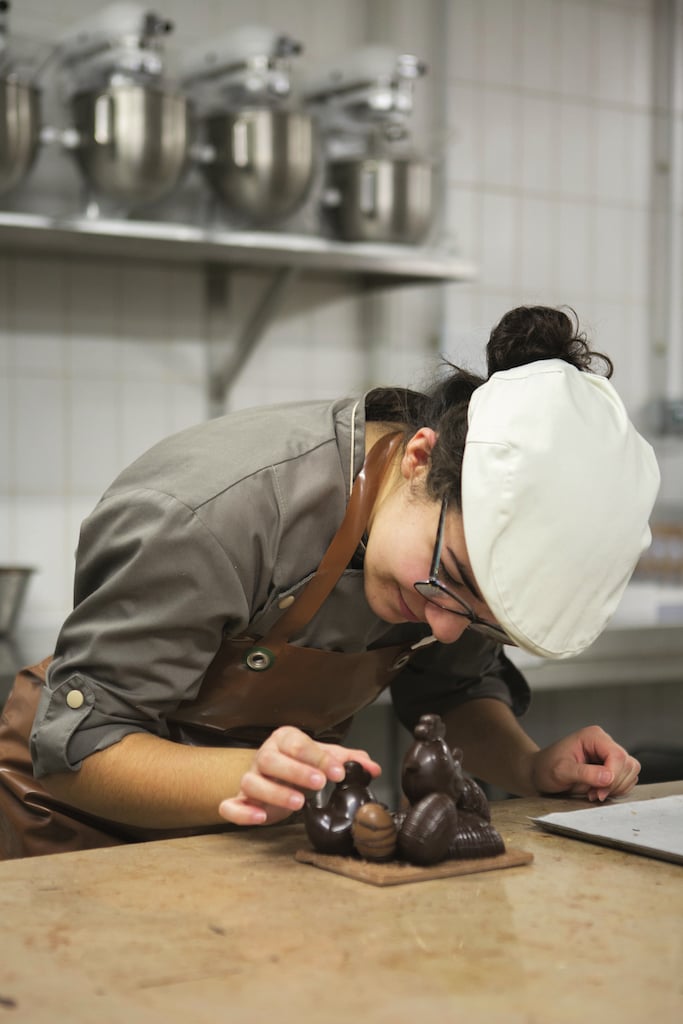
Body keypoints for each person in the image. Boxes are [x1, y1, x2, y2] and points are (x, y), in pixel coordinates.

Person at [0, 305, 660, 858]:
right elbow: (81, 750)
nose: (444, 626)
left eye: (482, 618)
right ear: (421, 457)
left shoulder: (450, 563)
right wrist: (245, 771)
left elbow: (451, 689)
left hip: (263, 841)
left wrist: (527, 766)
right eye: (449, 579)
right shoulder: (211, 513)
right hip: (70, 837)